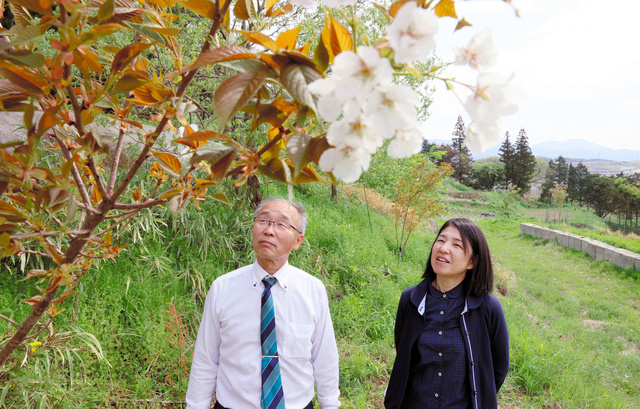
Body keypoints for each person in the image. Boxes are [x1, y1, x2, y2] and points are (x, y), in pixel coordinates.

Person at [186, 198, 341, 409]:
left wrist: (330, 405)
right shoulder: (223, 288)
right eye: (264, 220)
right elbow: (206, 359)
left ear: (298, 241)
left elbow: (324, 358)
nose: (269, 230)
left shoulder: (313, 290)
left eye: (282, 224)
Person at [385, 218, 509, 409]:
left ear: (472, 262)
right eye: (441, 240)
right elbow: (403, 353)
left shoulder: (487, 308)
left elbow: (497, 369)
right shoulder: (411, 300)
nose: (443, 248)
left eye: (457, 245)